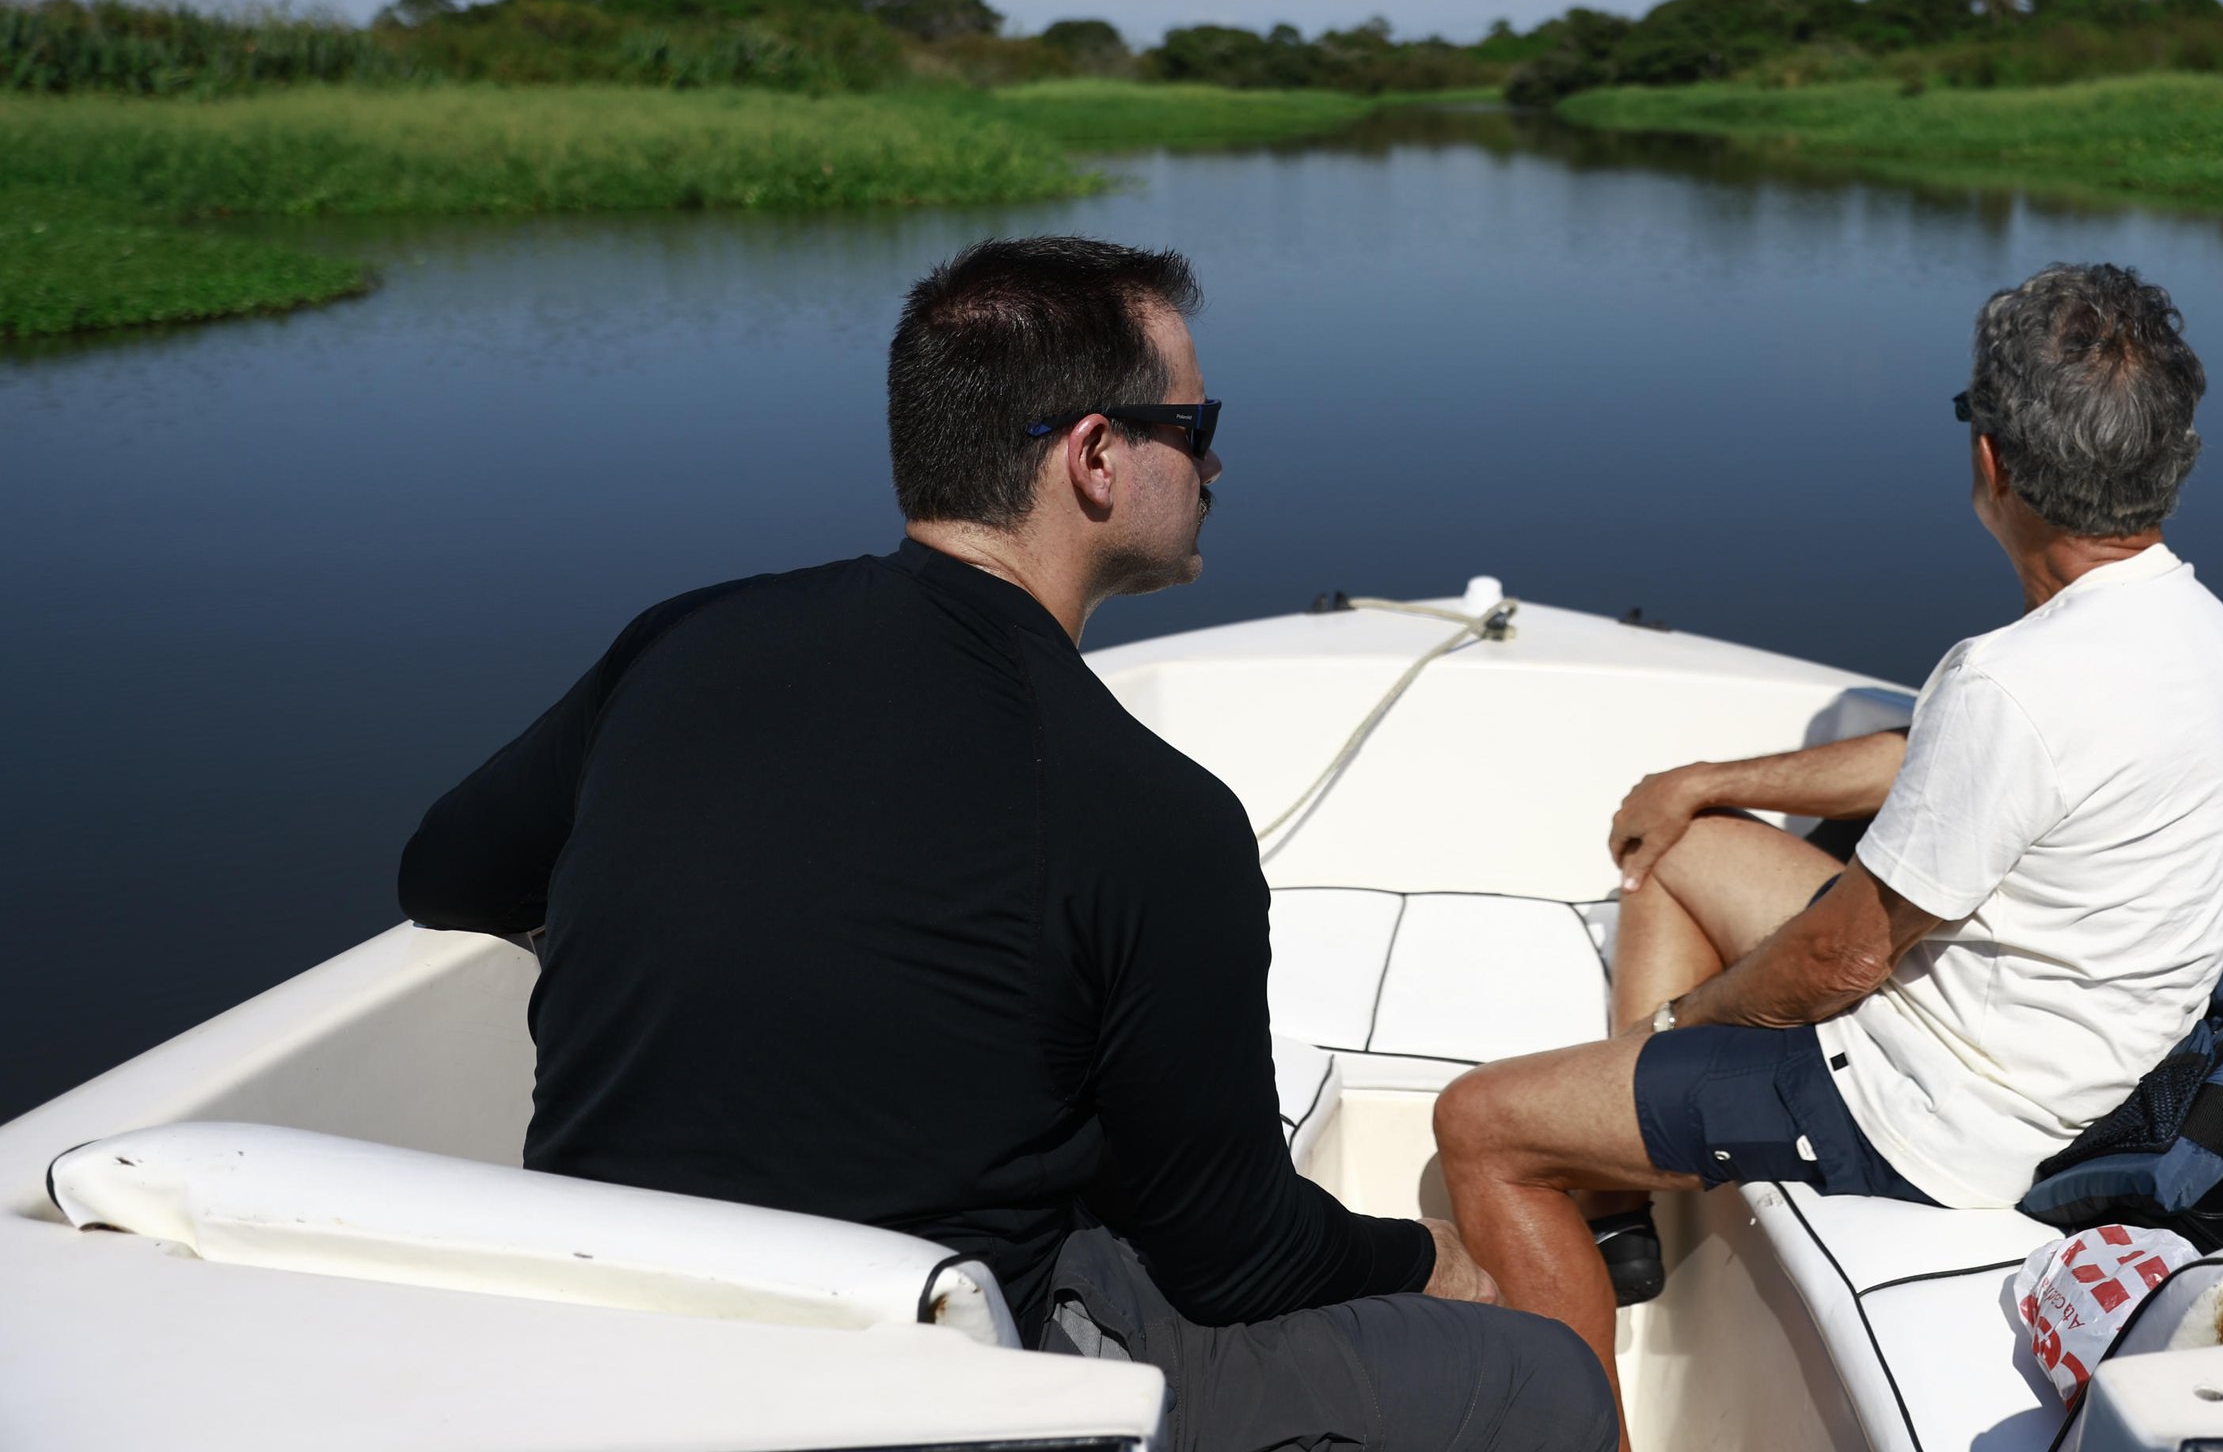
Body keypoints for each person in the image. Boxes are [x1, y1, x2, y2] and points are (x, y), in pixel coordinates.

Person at [400, 235, 1614, 1452]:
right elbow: (1241, 1260)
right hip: (930, 1404)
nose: (1218, 462)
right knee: (1538, 1379)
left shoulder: (676, 644)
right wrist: (1435, 1254)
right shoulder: (1153, 812)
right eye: (1195, 427)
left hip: (604, 1354)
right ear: (1095, 457)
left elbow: (445, 874)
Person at [1433, 262, 2223, 1437]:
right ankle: (1621, 1185)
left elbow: (1837, 966)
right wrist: (1708, 785)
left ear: (1993, 462)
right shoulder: (2203, 631)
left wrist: (1682, 1033)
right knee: (1687, 849)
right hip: (2063, 1054)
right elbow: (1938, 765)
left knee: (1479, 1124)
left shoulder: (2017, 683)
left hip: (1926, 1116)